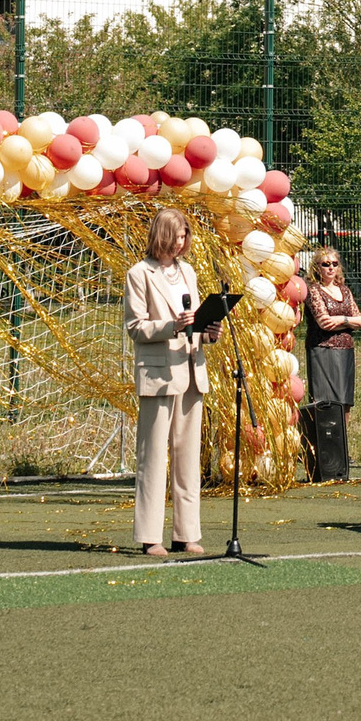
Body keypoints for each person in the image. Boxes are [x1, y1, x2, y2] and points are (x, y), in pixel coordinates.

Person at [124, 206, 206, 557]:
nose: (181, 241)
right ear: (161, 234)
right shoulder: (139, 273)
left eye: (185, 234)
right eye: (176, 234)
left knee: (188, 457)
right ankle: (149, 536)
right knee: (153, 456)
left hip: (191, 369)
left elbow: (196, 320)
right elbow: (135, 326)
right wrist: (171, 326)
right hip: (158, 373)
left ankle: (186, 533)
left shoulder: (188, 271)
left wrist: (208, 328)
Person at [301, 245, 361, 483]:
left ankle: (342, 453)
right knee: (323, 403)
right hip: (322, 349)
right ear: (317, 267)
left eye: (334, 264)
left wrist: (342, 319)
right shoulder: (313, 290)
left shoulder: (344, 290)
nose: (330, 268)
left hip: (345, 349)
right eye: (325, 264)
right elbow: (322, 322)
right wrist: (348, 321)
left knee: (344, 403)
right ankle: (322, 456)